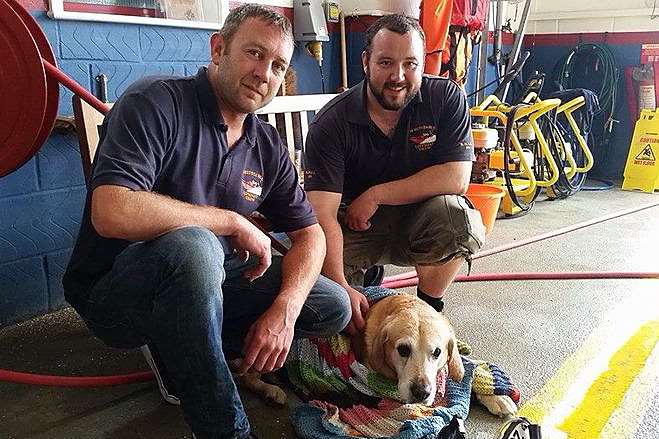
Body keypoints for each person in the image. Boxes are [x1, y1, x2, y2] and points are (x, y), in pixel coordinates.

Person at [63, 4, 351, 438]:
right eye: (254, 53)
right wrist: (231, 222)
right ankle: (225, 427)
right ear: (219, 48)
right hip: (118, 295)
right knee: (195, 246)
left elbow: (310, 234)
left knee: (331, 304)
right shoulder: (155, 103)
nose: (264, 73)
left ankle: (183, 348)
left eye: (277, 65)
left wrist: (285, 312)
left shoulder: (265, 143)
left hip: (210, 282)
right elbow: (110, 209)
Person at [303, 14, 485, 335]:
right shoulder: (331, 122)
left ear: (422, 63)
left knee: (459, 221)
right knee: (317, 286)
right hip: (354, 228)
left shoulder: (446, 98)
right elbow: (322, 216)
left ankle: (429, 311)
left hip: (421, 220)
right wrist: (340, 287)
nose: (398, 76)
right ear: (365, 61)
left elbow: (456, 178)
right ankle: (362, 280)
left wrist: (376, 195)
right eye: (385, 62)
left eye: (410, 64)